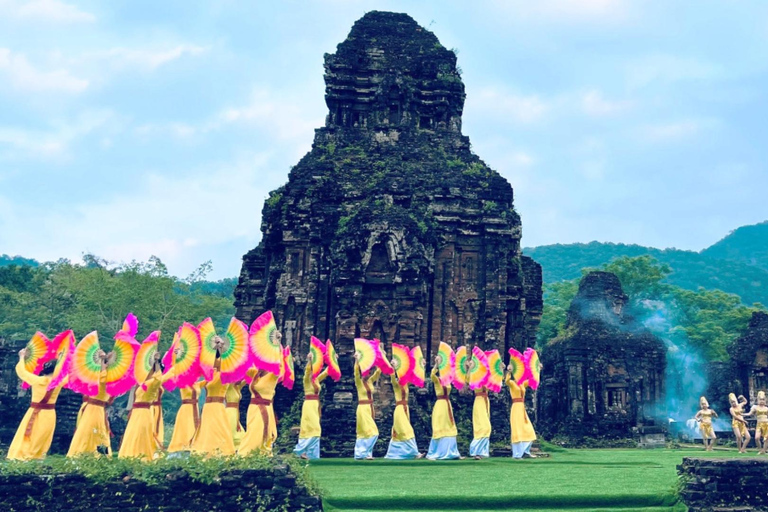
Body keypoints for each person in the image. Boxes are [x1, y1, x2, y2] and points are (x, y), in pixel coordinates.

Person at [7, 349, 68, 460]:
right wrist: (62, 360)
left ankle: (24, 457)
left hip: (35, 412)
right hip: (50, 414)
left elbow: (21, 371)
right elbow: (68, 374)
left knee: (30, 436)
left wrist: (21, 357)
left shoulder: (37, 380)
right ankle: (38, 457)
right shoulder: (59, 382)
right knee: (43, 436)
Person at [118, 352, 175, 460]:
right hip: (136, 413)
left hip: (144, 412)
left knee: (141, 434)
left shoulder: (154, 383)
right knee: (132, 433)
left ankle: (141, 456)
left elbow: (160, 378)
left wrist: (157, 362)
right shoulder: (142, 384)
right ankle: (129, 455)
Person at [190, 337, 235, 457]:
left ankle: (221, 451)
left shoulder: (225, 375)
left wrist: (221, 348)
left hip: (218, 406)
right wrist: (214, 348)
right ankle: (205, 451)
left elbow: (224, 362)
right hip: (207, 407)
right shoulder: (210, 375)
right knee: (207, 429)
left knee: (218, 428)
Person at [68, 350, 113, 457]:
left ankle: (93, 454)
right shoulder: (95, 376)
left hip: (96, 410)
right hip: (91, 409)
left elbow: (103, 379)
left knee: (94, 431)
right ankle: (83, 454)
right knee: (87, 431)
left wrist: (103, 360)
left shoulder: (109, 379)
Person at [293, 352, 328, 459]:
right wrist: (310, 361)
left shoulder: (316, 380)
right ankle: (300, 451)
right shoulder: (307, 380)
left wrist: (332, 362)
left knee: (314, 429)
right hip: (308, 405)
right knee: (313, 428)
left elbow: (326, 372)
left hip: (315, 406)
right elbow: (307, 372)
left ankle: (311, 455)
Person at [238, 369, 279, 456]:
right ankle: (250, 454)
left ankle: (247, 454)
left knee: (257, 431)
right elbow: (244, 367)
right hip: (253, 408)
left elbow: (280, 367)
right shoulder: (256, 373)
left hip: (263, 409)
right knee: (251, 429)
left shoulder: (273, 374)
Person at [426, 359, 461, 460]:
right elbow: (432, 375)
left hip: (447, 404)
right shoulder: (438, 380)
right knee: (439, 425)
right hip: (440, 404)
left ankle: (452, 452)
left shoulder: (448, 380)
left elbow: (457, 374)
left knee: (450, 426)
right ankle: (435, 452)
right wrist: (436, 364)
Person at [384, 369, 421, 459]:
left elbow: (414, 377)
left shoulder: (406, 384)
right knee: (406, 430)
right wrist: (394, 368)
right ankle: (415, 452)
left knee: (399, 432)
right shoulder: (396, 385)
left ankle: (393, 453)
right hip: (399, 409)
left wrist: (421, 367)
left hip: (405, 409)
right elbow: (392, 378)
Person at [353, 355, 381, 460]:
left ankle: (366, 453)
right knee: (372, 432)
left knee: (365, 432)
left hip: (369, 408)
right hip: (362, 408)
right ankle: (362, 453)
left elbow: (378, 372)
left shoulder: (370, 381)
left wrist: (379, 359)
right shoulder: (359, 382)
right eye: (365, 372)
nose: (367, 374)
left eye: (368, 372)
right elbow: (355, 373)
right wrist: (357, 360)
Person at [506, 365, 536, 459]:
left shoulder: (523, 383)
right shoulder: (511, 383)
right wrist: (509, 371)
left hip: (522, 408)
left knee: (529, 430)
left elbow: (532, 380)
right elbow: (506, 381)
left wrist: (536, 369)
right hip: (516, 408)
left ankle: (526, 451)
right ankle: (517, 454)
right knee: (517, 430)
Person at [167, 378, 204, 453]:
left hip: (195, 408)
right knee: (186, 428)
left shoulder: (197, 384)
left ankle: (193, 446)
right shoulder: (182, 383)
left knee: (195, 427)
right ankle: (183, 447)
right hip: (186, 409)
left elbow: (209, 379)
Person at [469, 383, 492, 459]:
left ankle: (481, 452)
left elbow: (496, 380)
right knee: (483, 427)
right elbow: (468, 379)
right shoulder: (475, 377)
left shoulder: (488, 378)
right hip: (479, 401)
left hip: (485, 402)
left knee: (487, 428)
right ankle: (474, 450)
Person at [225, 381, 246, 449]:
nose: (240, 380)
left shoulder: (238, 387)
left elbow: (246, 378)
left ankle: (237, 449)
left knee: (241, 434)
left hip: (236, 412)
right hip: (230, 412)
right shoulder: (229, 386)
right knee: (232, 432)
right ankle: (230, 449)